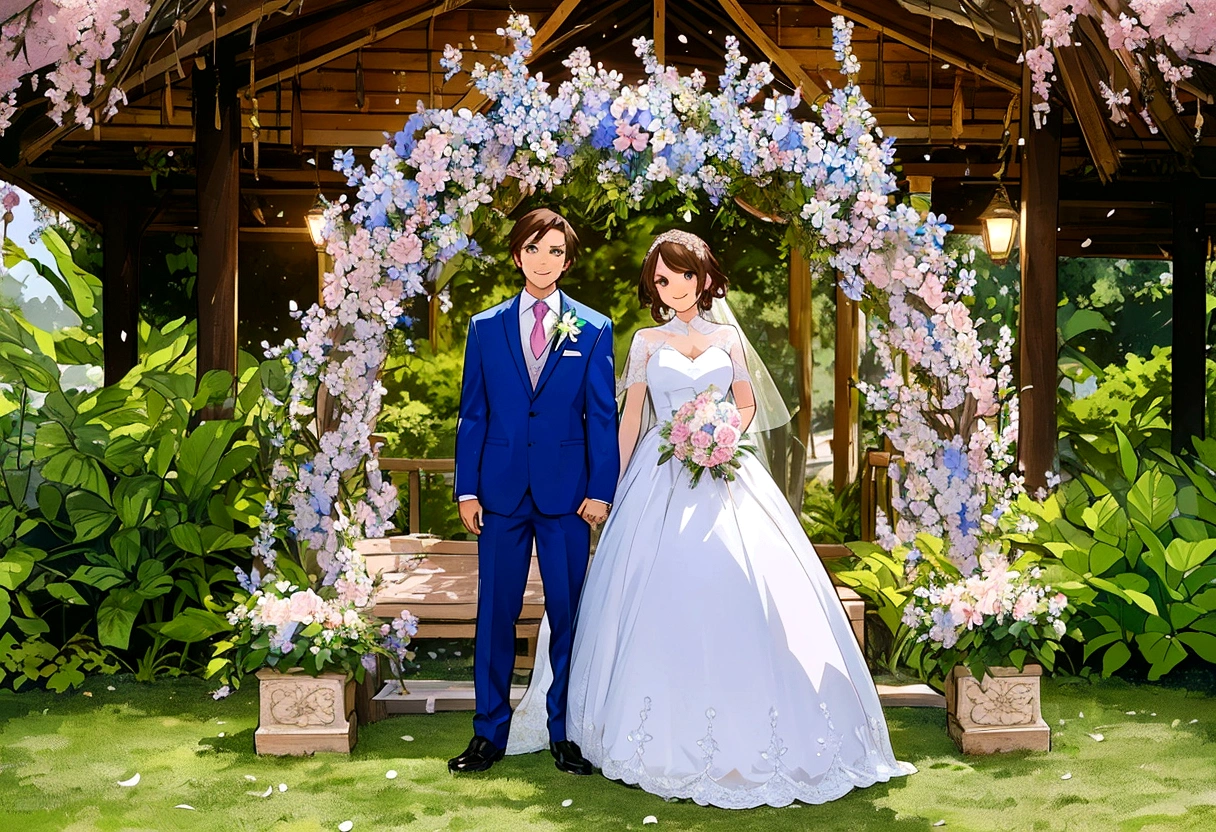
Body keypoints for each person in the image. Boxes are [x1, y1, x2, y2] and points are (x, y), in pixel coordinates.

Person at [512, 229, 914, 807]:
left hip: (727, 470)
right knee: (658, 587)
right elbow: (629, 422)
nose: (667, 286)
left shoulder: (730, 339)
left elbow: (747, 403)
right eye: (658, 278)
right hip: (660, 472)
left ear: (701, 278)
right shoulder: (647, 342)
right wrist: (607, 487)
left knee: (749, 585)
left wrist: (725, 435)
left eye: (676, 275)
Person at [449, 208, 619, 775]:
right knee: (494, 614)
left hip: (568, 498)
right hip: (497, 495)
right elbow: (473, 414)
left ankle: (564, 734)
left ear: (567, 262)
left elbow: (601, 417)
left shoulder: (593, 329)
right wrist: (466, 489)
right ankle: (487, 735)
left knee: (569, 615)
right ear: (518, 254)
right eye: (533, 248)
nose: (543, 260)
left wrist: (601, 490)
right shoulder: (484, 326)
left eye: (554, 251)